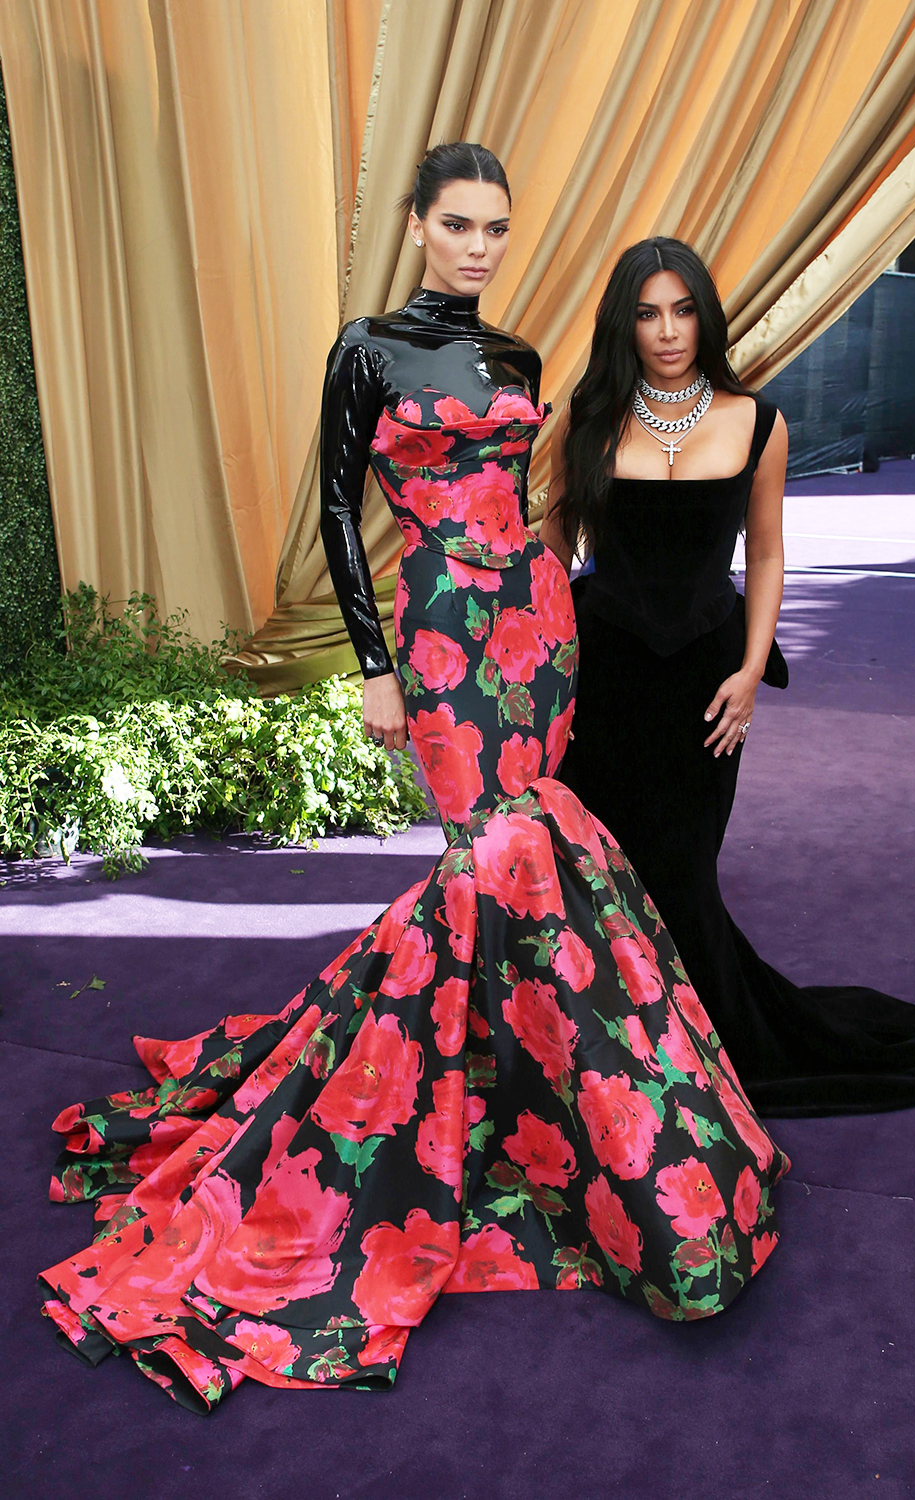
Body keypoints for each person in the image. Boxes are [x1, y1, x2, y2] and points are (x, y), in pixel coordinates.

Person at [39, 152, 789, 1414]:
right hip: (439, 625)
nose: (479, 247)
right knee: (484, 859)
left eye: (497, 228)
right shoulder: (366, 350)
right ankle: (419, 1101)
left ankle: (514, 1086)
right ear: (416, 227)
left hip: (540, 622)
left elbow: (547, 510)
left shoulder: (520, 363)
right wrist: (378, 665)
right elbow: (338, 509)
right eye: (458, 225)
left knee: (535, 858)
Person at [542, 237, 915, 1118]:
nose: (668, 331)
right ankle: (611, 1046)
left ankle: (695, 1045)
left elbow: (769, 553)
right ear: (624, 324)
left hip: (707, 682)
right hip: (604, 680)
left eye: (684, 309)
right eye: (648, 313)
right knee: (601, 873)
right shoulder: (586, 421)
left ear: (707, 314)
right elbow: (551, 557)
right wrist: (546, 676)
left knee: (685, 872)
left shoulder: (759, 421)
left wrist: (749, 670)